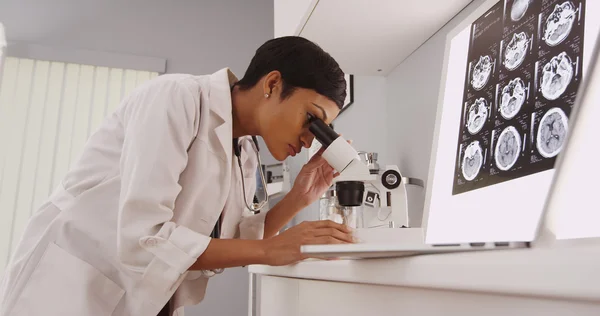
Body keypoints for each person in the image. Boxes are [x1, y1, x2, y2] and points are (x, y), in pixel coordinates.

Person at [0, 36, 355, 316]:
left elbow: (232, 240)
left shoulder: (245, 150)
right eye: (312, 119)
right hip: (75, 284)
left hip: (146, 295)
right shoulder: (176, 98)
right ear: (273, 84)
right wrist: (267, 249)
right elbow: (145, 236)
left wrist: (298, 199)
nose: (312, 139)